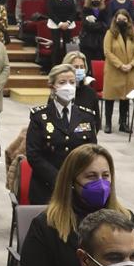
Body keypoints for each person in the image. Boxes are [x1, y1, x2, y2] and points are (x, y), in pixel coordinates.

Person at [25, 62, 98, 206]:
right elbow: (33, 155)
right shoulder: (40, 116)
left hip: (78, 187)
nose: (68, 86)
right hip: (46, 187)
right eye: (62, 82)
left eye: (71, 82)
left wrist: (76, 179)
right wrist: (59, 179)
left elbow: (92, 151)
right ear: (52, 86)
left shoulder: (86, 116)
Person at [102, 5, 134, 133]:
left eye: (124, 19)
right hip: (114, 70)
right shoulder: (110, 33)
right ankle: (108, 123)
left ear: (128, 20)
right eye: (119, 19)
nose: (122, 21)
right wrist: (120, 65)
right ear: (115, 20)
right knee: (110, 97)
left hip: (129, 70)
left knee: (125, 98)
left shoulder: (133, 34)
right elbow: (107, 52)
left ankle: (123, 123)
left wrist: (131, 64)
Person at [45, 0, 80, 66]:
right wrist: (60, 23)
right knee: (56, 46)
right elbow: (50, 12)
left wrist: (68, 22)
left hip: (68, 24)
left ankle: (67, 66)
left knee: (67, 46)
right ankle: (54, 67)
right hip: (55, 24)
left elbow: (74, 11)